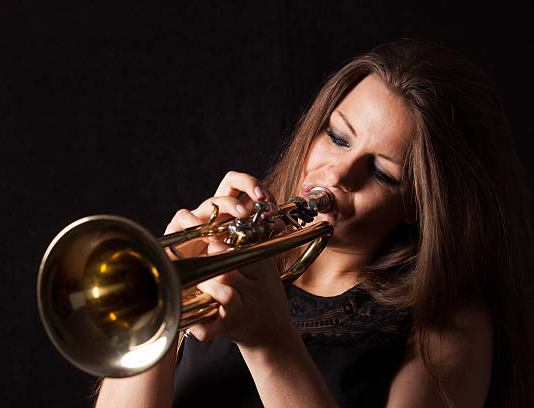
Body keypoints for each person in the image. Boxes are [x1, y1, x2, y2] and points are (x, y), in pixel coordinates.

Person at [95, 39, 532, 407]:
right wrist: (163, 289)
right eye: (338, 137)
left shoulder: (450, 321)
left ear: (419, 204)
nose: (338, 175)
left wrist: (271, 345)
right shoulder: (227, 251)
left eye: (381, 172)